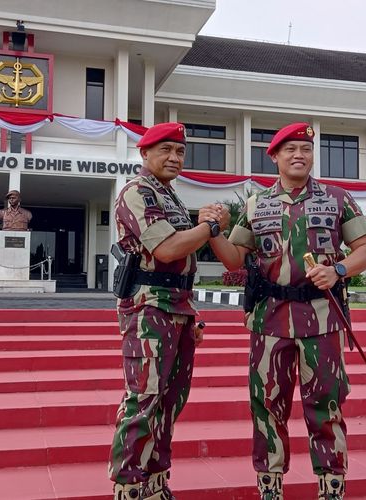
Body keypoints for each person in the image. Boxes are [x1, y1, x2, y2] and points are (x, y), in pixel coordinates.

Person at [207, 122, 366, 499]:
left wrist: (337, 270)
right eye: (290, 150)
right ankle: (270, 486)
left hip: (321, 318)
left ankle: (331, 485)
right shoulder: (256, 204)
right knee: (267, 404)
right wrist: (213, 231)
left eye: (305, 149)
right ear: (275, 157)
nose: (299, 155)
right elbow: (236, 259)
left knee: (326, 404)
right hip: (269, 320)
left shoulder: (337, 199)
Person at [108, 122, 228, 499]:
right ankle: (128, 486)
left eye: (180, 152)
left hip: (178, 309)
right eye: (165, 150)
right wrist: (210, 226)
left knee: (170, 401)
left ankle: (156, 482)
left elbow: (182, 263)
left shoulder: (170, 197)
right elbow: (168, 250)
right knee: (144, 398)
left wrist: (194, 313)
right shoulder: (137, 192)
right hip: (148, 310)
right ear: (145, 154)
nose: (175, 158)